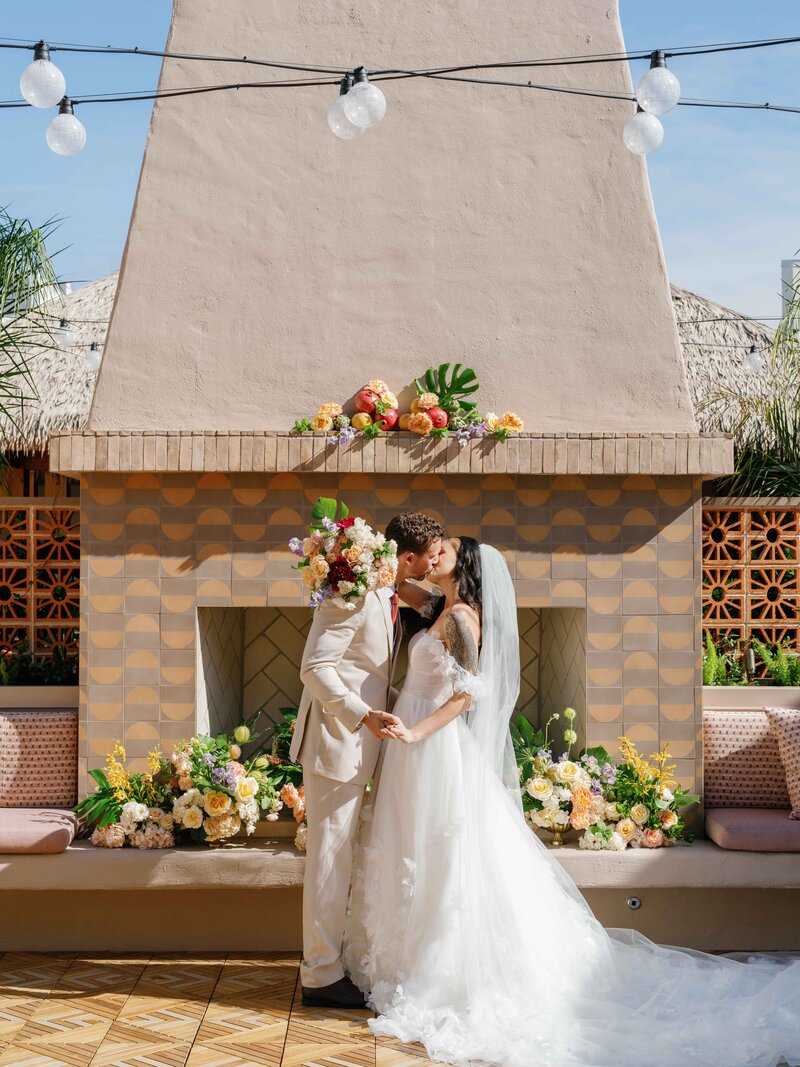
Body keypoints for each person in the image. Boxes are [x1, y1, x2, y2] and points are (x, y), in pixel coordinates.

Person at [343, 536, 800, 1067]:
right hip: (411, 746)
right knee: (411, 848)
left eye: (445, 548)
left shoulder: (463, 620)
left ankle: (438, 968)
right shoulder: (439, 606)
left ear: (464, 565)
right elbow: (403, 587)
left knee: (443, 853)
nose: (434, 552)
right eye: (433, 547)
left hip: (433, 745)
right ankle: (401, 958)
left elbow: (470, 695)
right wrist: (365, 565)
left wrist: (418, 732)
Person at [291, 511, 445, 1007]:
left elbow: (370, 668)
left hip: (365, 746)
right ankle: (319, 975)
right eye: (430, 556)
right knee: (330, 861)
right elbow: (315, 668)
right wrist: (362, 715)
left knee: (343, 859)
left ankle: (333, 961)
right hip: (337, 745)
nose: (434, 562)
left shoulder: (387, 590)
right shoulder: (353, 591)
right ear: (407, 558)